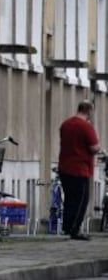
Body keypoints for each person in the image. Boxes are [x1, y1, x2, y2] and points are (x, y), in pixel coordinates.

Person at [58, 100, 100, 241]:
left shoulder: (66, 124)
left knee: (69, 198)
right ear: (88, 111)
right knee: (81, 200)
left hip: (64, 167)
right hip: (80, 168)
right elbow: (94, 147)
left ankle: (67, 227)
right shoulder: (86, 127)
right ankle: (75, 230)